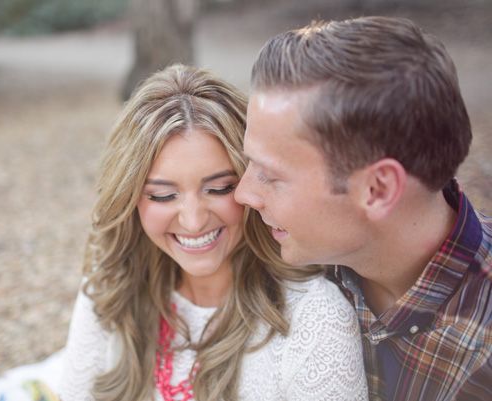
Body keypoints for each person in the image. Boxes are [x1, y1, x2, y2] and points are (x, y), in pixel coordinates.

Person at [58, 64, 368, 401]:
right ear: (128, 198)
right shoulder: (110, 287)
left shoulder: (315, 319)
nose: (193, 222)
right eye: (163, 195)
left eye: (219, 189)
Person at [234, 16, 492, 401]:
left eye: (270, 175)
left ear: (377, 189)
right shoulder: (290, 260)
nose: (243, 194)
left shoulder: (481, 359)